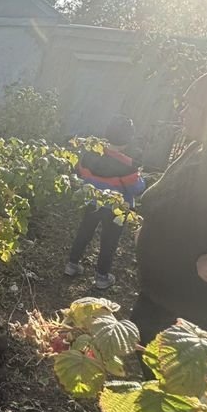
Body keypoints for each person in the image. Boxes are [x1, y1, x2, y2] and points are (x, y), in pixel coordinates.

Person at [131, 66, 207, 345]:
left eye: (190, 105)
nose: (182, 112)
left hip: (193, 324)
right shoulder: (199, 149)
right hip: (157, 302)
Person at [64, 115, 145, 290]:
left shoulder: (90, 155)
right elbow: (137, 189)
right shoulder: (128, 165)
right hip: (116, 209)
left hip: (92, 201)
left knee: (84, 232)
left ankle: (71, 265)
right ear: (127, 140)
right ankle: (102, 277)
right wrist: (141, 177)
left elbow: (82, 174)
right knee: (109, 241)